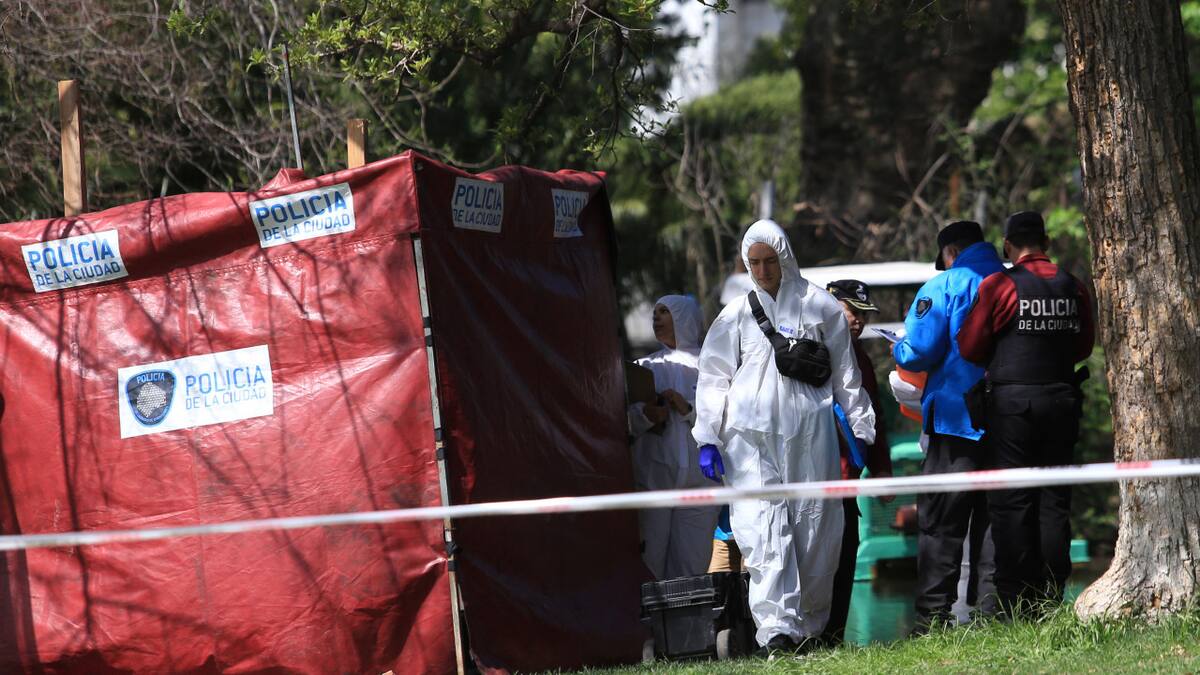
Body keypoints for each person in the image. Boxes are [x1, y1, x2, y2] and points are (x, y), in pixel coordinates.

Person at [692, 219, 876, 654]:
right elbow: (714, 375)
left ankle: (809, 627)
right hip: (749, 439)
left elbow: (846, 374)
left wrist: (860, 426)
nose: (762, 270)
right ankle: (776, 632)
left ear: (785, 257)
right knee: (760, 530)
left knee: (814, 527)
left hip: (809, 435)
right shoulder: (736, 313)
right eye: (753, 262)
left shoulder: (821, 307)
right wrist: (707, 437)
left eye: (769, 261)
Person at [957, 211, 1095, 616]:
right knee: (1054, 499)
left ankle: (1016, 601)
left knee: (1013, 499)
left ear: (1008, 246)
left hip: (1012, 407)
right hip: (1061, 401)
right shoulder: (1074, 286)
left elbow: (969, 345)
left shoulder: (1000, 285)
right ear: (1046, 242)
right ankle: (1051, 596)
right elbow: (1084, 346)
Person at [892, 220, 1004, 631]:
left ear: (949, 253)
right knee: (995, 516)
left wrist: (898, 347)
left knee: (941, 521)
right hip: (1005, 421)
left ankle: (932, 619)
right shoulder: (1011, 280)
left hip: (955, 419)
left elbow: (919, 350)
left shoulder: (945, 285)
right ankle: (992, 615)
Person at [820, 280, 895, 647]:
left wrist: (882, 470)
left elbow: (875, 416)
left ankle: (833, 638)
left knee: (845, 560)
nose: (859, 321)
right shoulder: (811, 349)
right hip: (813, 482)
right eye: (852, 312)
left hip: (847, 482)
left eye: (863, 315)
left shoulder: (861, 358)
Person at [628, 295, 720, 580]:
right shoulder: (642, 366)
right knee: (650, 567)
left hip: (701, 484)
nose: (656, 318)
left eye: (665, 311)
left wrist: (688, 409)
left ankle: (693, 627)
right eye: (654, 312)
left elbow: (728, 418)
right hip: (654, 484)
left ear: (684, 317)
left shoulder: (713, 365)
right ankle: (653, 627)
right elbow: (622, 423)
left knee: (691, 570)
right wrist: (646, 415)